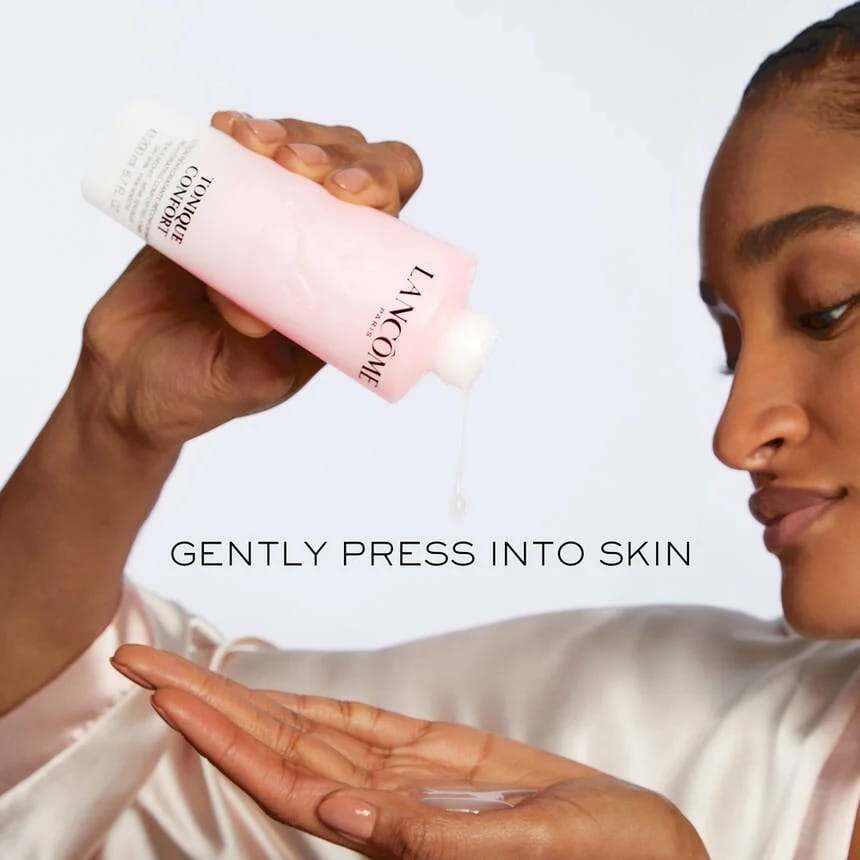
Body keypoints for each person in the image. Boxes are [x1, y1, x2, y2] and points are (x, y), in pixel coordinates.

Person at [3, 3, 860, 858]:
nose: (736, 436)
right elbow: (97, 757)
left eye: (828, 308)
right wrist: (111, 425)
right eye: (729, 350)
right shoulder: (645, 722)